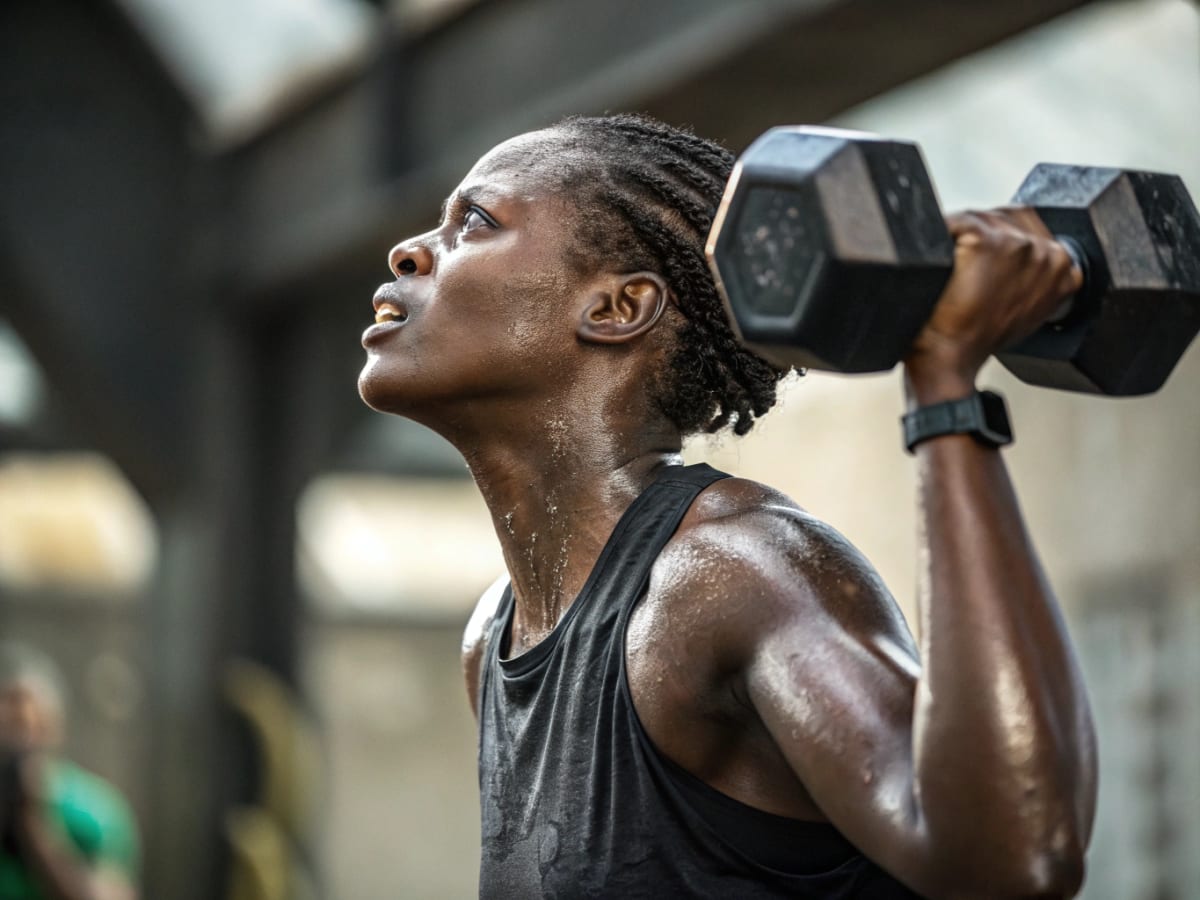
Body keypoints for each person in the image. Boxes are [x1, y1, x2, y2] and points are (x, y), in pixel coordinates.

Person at [358, 114, 1097, 898]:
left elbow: (1013, 859)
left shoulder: (730, 577)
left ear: (618, 307)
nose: (409, 251)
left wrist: (944, 382)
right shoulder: (494, 638)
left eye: (475, 221)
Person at [0, 643, 139, 900]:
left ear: (55, 728)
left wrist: (34, 831)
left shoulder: (95, 812)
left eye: (31, 727)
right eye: (8, 729)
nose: (19, 744)